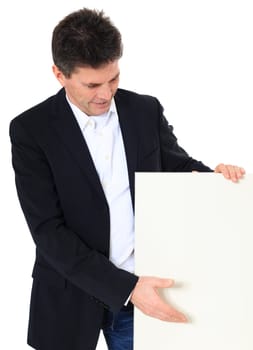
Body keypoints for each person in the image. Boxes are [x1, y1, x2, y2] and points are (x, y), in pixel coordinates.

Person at [9, 7, 245, 350]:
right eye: (92, 85)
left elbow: (176, 168)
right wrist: (125, 286)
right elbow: (47, 230)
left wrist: (214, 178)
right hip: (69, 297)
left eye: (113, 79)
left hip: (143, 296)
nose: (106, 94)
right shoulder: (31, 129)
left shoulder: (145, 111)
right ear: (59, 74)